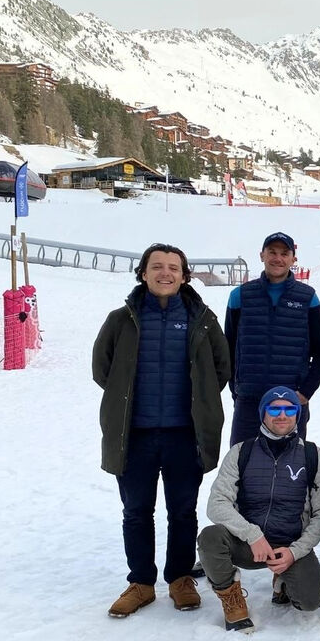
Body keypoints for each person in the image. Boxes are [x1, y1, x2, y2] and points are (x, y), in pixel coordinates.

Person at [93, 243, 230, 618]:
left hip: (184, 434)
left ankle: (180, 578)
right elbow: (102, 370)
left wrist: (197, 400)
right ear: (143, 273)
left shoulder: (202, 318)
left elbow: (220, 368)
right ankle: (140, 582)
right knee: (136, 511)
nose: (165, 273)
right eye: (157, 267)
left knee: (183, 511)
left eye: (173, 267)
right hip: (133, 434)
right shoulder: (121, 320)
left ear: (185, 275)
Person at [197, 387, 320, 633]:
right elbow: (217, 503)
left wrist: (296, 551)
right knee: (210, 538)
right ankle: (232, 598)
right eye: (274, 409)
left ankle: (282, 581)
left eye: (289, 409)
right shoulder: (242, 452)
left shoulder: (312, 455)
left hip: (289, 546)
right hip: (247, 544)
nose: (282, 415)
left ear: (297, 414)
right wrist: (253, 535)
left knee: (310, 601)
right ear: (263, 414)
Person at [223, 232, 320, 445]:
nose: (278, 258)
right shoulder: (240, 296)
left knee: (291, 470)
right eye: (272, 252)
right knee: (241, 466)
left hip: (289, 402)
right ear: (262, 255)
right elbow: (228, 348)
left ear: (293, 259)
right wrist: (238, 389)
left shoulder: (307, 298)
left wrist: (305, 392)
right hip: (249, 400)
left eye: (284, 253)